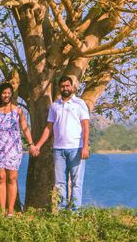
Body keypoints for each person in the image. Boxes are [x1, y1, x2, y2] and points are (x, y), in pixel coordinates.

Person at [30, 75, 90, 210]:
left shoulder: (80, 104)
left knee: (76, 183)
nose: (65, 88)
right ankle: (62, 212)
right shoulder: (54, 106)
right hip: (58, 150)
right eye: (62, 86)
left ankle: (75, 213)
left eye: (67, 86)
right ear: (59, 88)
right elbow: (48, 128)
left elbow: (86, 126)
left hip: (77, 148)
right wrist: (38, 145)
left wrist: (85, 146)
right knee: (60, 183)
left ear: (72, 87)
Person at [0, 82, 34, 215]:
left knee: (12, 178)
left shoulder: (18, 111)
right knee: (0, 177)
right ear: (1, 94)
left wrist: (31, 144)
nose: (6, 95)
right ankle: (1, 210)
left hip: (14, 147)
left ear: (11, 95)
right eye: (4, 93)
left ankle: (10, 211)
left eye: (9, 93)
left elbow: (25, 129)